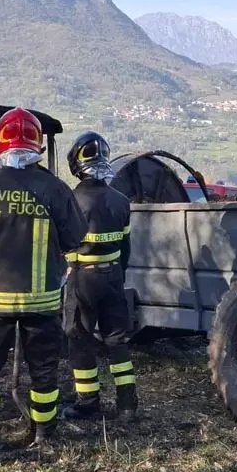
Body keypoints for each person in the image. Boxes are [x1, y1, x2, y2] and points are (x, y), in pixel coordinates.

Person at [0, 108, 86, 466]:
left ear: (0, 145)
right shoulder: (55, 189)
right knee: (43, 370)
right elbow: (75, 237)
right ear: (38, 145)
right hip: (41, 303)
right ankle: (43, 436)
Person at [62, 131, 138, 422]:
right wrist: (118, 274)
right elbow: (126, 247)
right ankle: (128, 406)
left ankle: (88, 402)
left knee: (79, 339)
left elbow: (62, 244)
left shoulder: (71, 200)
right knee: (117, 341)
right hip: (114, 277)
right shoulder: (121, 201)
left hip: (82, 279)